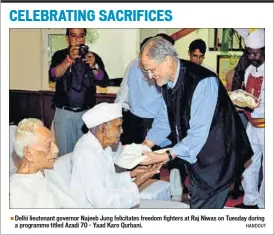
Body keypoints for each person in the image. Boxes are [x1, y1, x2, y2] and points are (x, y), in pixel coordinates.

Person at [139, 36, 253, 209]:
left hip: (218, 160)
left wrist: (166, 156)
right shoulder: (168, 82)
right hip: (197, 159)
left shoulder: (202, 81)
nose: (149, 76)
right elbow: (163, 122)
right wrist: (145, 146)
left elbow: (198, 133)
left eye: (152, 70)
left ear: (168, 61)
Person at [69, 103, 161, 208]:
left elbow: (108, 182)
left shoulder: (103, 146)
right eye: (118, 126)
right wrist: (137, 183)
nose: (121, 131)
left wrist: (131, 175)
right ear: (103, 128)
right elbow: (104, 203)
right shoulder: (87, 155)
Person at [49, 28, 109, 156]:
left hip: (87, 115)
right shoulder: (59, 55)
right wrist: (68, 60)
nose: (78, 39)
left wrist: (93, 66)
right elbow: (53, 75)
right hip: (64, 114)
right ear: (67, 38)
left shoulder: (93, 57)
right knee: (65, 156)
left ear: (85, 37)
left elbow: (104, 81)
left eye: (81, 36)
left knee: (86, 155)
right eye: (73, 36)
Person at [10, 118, 78, 208]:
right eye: (48, 146)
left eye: (54, 143)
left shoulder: (46, 171)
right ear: (29, 153)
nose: (56, 150)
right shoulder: (18, 191)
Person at [233, 29, 265, 209]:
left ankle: (264, 206)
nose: (252, 57)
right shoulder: (249, 70)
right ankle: (250, 201)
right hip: (251, 126)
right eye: (250, 53)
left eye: (256, 53)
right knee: (248, 165)